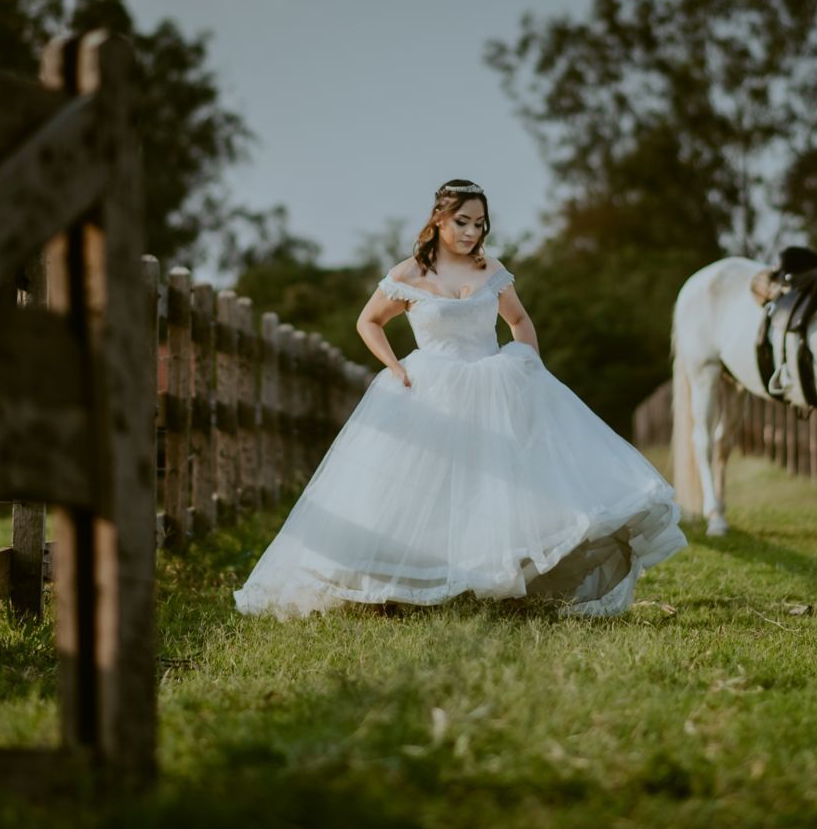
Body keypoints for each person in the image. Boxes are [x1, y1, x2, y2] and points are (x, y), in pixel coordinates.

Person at [233, 179, 687, 618]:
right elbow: (368, 321)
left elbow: (520, 321)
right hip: (430, 385)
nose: (472, 232)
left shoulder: (492, 271)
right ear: (438, 220)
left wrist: (528, 366)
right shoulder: (407, 274)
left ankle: (502, 580)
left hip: (493, 380)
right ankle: (396, 586)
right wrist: (394, 365)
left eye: (480, 224)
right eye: (463, 222)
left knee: (501, 485)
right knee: (414, 488)